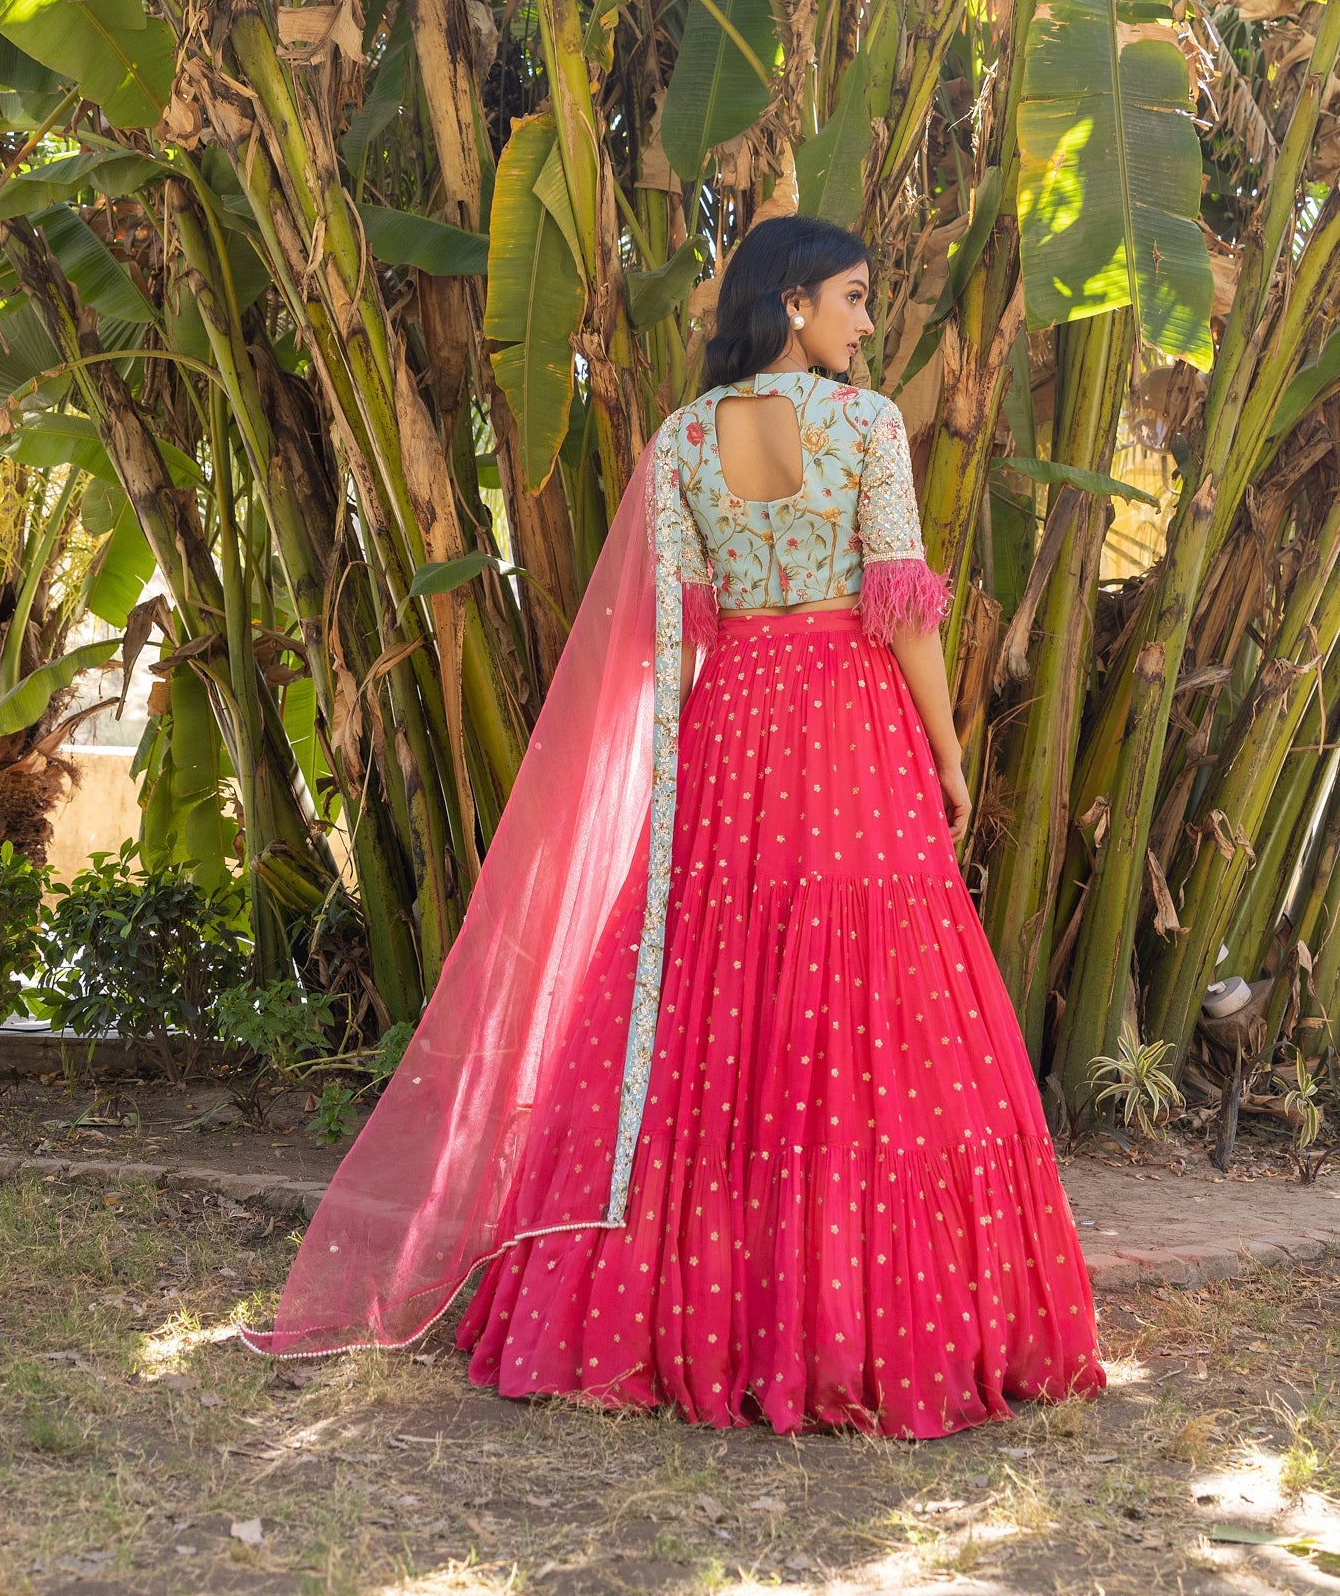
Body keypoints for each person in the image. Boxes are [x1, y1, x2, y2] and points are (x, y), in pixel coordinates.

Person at [243, 215, 1103, 1439]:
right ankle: (856, 1316)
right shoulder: (861, 426)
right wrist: (950, 753)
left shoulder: (684, 437)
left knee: (721, 982)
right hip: (847, 720)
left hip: (735, 720)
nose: (870, 323)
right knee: (861, 987)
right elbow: (901, 603)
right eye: (856, 299)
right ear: (796, 303)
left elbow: (678, 622)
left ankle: (691, 1308)